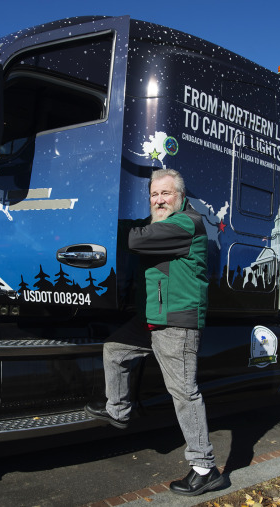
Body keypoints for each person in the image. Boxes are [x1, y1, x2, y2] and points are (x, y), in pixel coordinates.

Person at [85, 168, 224, 496]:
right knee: (115, 349)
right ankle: (118, 410)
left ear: (180, 195)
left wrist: (99, 223)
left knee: (184, 394)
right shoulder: (164, 223)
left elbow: (136, 240)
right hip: (154, 318)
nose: (160, 200)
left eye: (166, 194)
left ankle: (206, 468)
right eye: (154, 195)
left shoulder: (185, 223)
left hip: (177, 322)